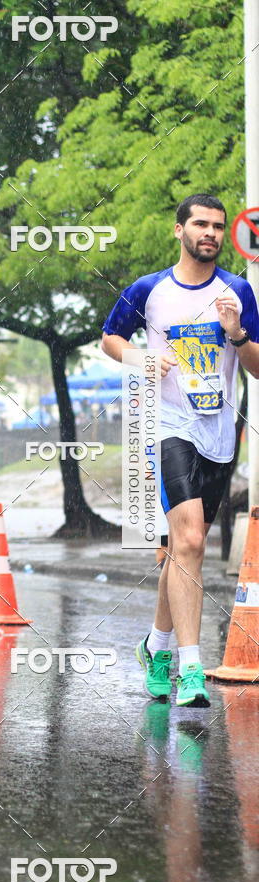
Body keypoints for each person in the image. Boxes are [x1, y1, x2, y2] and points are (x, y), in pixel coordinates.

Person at [102, 193, 259, 707]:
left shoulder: (238, 291)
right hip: (166, 425)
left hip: (218, 432)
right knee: (189, 537)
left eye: (217, 226)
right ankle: (191, 670)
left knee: (182, 548)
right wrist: (142, 357)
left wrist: (237, 334)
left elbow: (257, 366)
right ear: (179, 230)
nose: (210, 233)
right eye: (200, 224)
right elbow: (110, 338)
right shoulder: (149, 291)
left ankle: (158, 645)